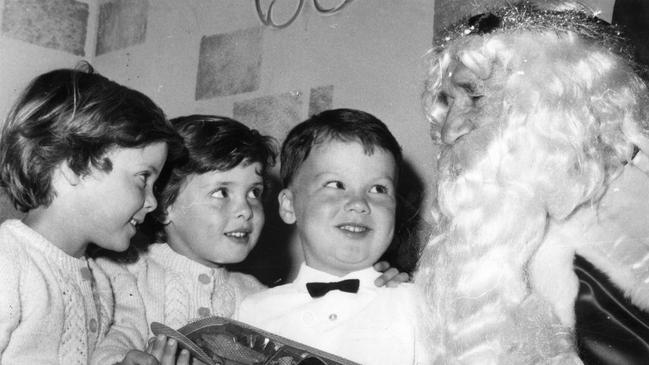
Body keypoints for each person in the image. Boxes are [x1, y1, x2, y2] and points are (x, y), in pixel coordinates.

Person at [414, 1, 649, 364]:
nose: (449, 131)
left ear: (548, 106)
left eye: (475, 97)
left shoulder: (613, 253)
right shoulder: (511, 225)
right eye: (448, 103)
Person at [91, 114, 406, 365]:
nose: (245, 209)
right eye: (221, 192)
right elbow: (116, 337)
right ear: (165, 204)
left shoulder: (255, 298)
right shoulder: (128, 274)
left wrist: (370, 279)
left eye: (254, 193)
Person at [0, 64, 183, 365]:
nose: (152, 202)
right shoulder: (9, 261)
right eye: (143, 177)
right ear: (74, 166)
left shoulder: (98, 277)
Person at [236, 108, 430, 365]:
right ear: (289, 206)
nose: (359, 203)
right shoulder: (253, 314)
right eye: (336, 185)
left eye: (378, 189)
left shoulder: (418, 305)